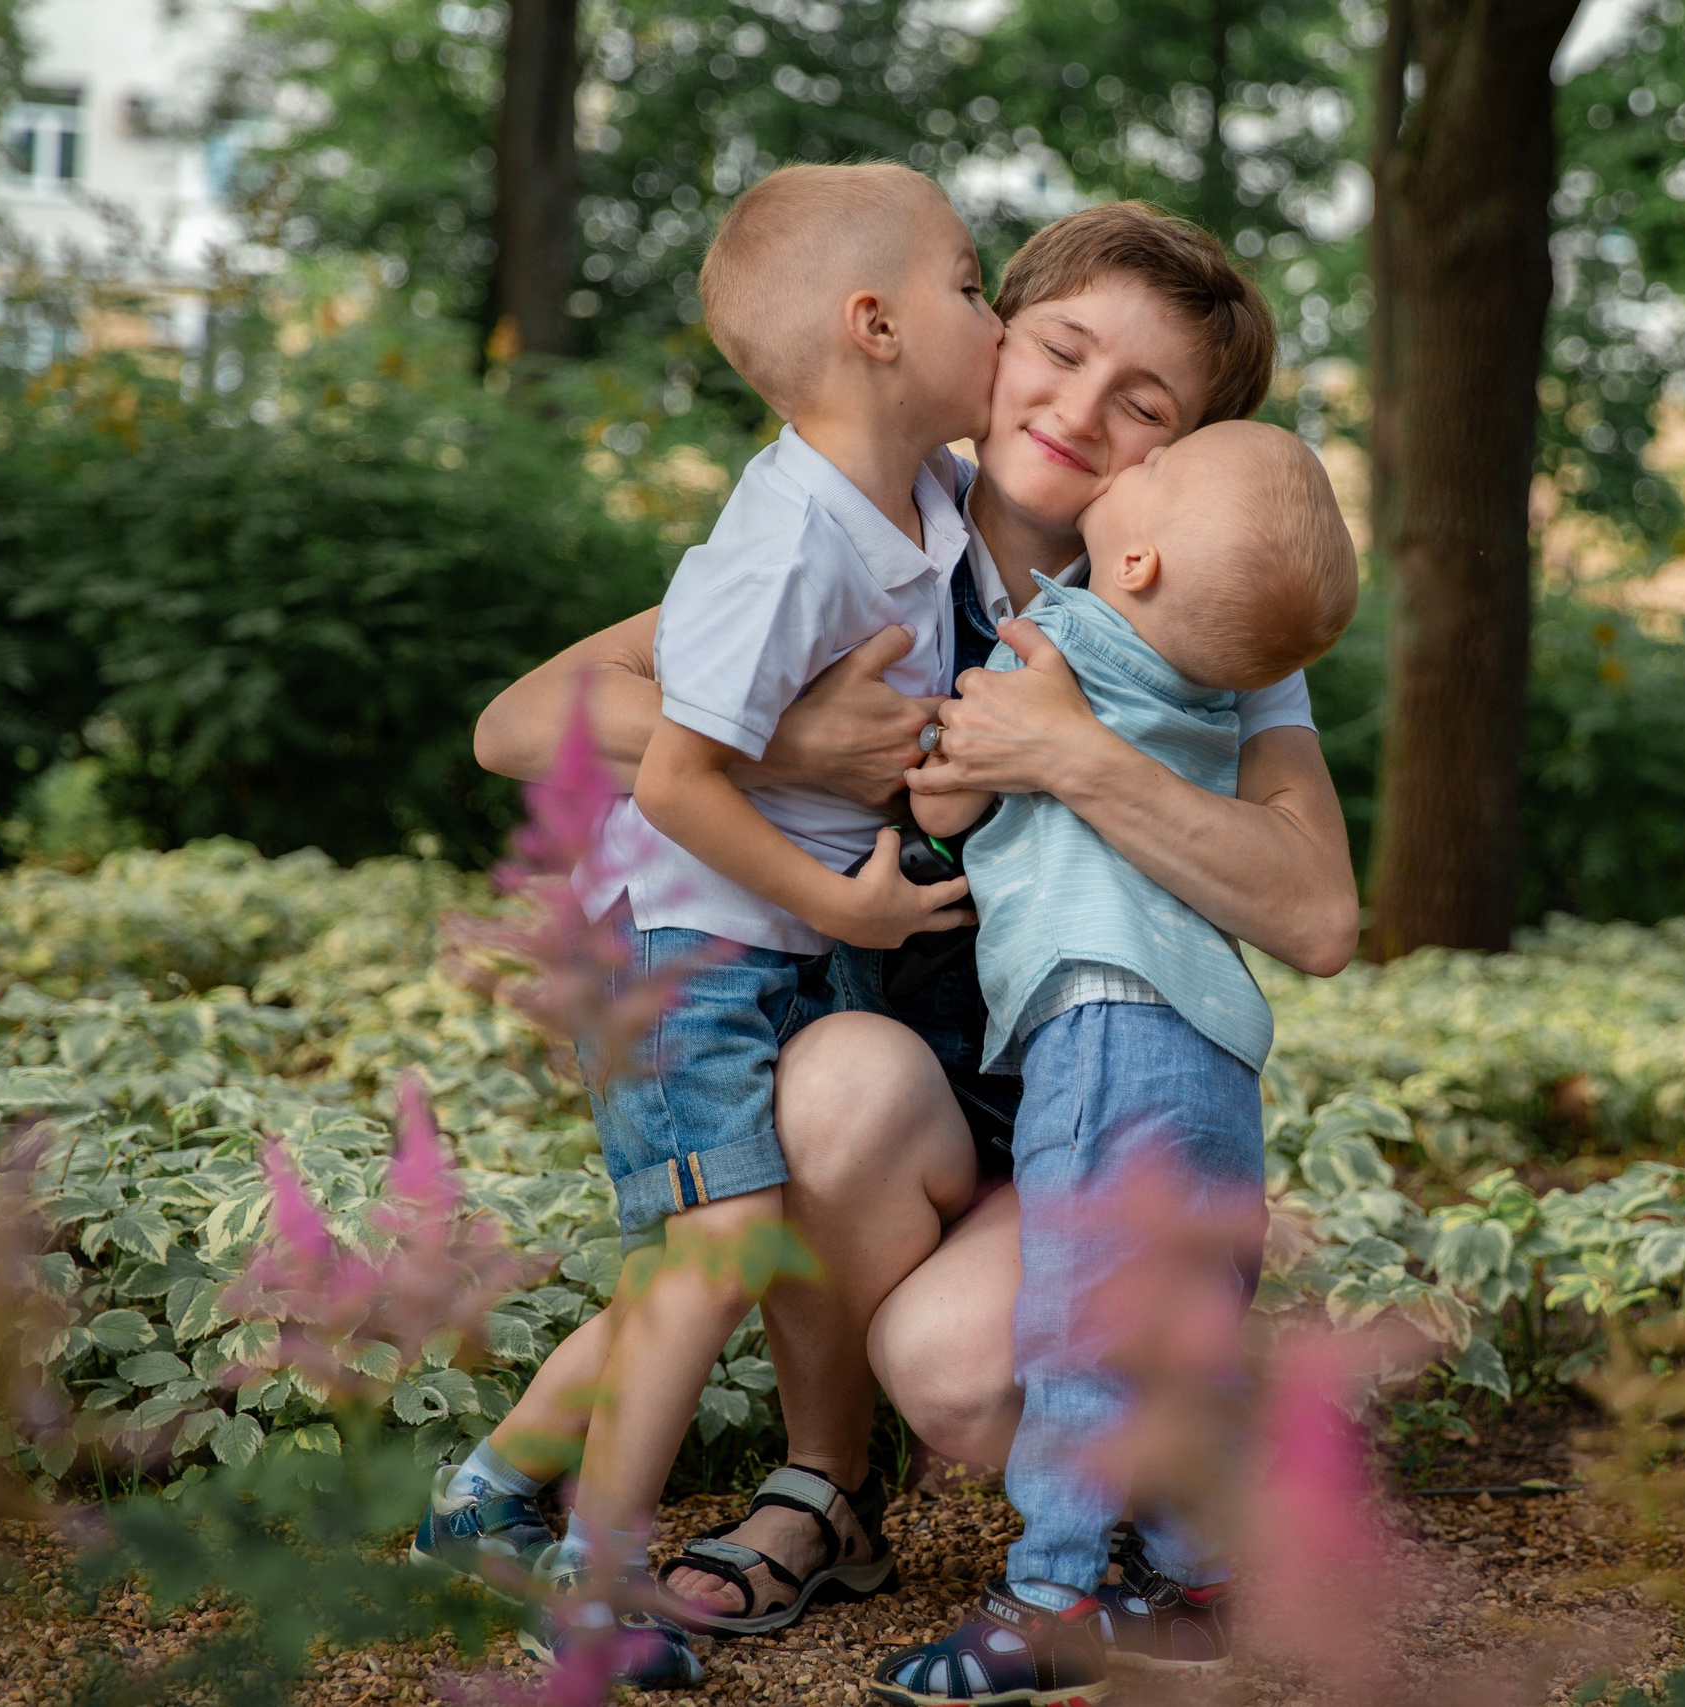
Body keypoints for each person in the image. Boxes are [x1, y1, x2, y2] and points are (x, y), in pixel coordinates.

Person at [449, 202, 1361, 1676]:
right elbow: (517, 723)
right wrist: (790, 737)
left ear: (1183, 458)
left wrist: (1072, 754)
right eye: (1061, 351)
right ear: (995, 338)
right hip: (915, 1086)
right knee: (831, 1076)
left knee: (955, 1373)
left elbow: (1318, 912)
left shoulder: (1208, 612)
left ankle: (1187, 1466)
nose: (1081, 410)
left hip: (1090, 1100)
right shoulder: (867, 522)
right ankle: (827, 1483)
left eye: (1148, 405)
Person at [419, 159, 1001, 1688]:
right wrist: (840, 898)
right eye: (974, 284)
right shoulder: (786, 531)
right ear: (874, 325)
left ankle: (490, 1487)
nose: (994, 315)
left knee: (730, 1242)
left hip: (775, 940)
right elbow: (675, 778)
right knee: (720, 1246)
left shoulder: (923, 496)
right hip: (693, 939)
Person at [869, 421, 1358, 1705]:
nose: (1119, 455)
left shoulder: (1064, 639)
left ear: (1130, 558)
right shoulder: (1213, 699)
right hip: (1210, 1055)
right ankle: (1195, 1591)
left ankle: (1053, 1596)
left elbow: (943, 796)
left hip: (1099, 1026)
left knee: (1080, 1324)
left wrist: (931, 774)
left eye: (1147, 464)